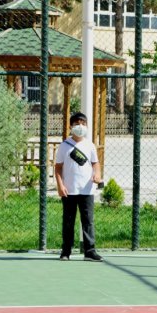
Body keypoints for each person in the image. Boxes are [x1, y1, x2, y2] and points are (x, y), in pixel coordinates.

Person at [55, 112, 103, 262]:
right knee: (68, 221)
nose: (80, 127)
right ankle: (66, 251)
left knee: (88, 220)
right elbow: (58, 168)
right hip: (69, 190)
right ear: (70, 126)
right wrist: (60, 185)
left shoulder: (90, 145)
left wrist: (97, 175)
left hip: (87, 190)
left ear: (87, 126)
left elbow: (96, 163)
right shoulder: (64, 146)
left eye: (83, 124)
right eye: (76, 124)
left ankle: (90, 251)